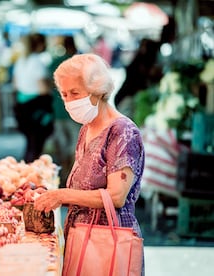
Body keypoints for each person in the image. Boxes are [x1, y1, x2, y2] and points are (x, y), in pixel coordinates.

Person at [33, 53, 145, 275]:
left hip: (107, 240)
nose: (69, 101)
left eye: (75, 93)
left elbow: (116, 196)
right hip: (82, 235)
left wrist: (62, 195)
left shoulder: (122, 131)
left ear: (98, 90)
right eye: (64, 94)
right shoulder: (87, 128)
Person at [12, 33, 54, 163]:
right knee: (36, 144)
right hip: (37, 106)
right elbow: (42, 88)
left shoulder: (20, 61)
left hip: (21, 104)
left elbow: (15, 84)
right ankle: (32, 171)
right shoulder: (38, 62)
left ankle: (27, 167)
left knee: (30, 142)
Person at [48, 35, 81, 188]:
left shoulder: (56, 62)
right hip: (75, 112)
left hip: (58, 110)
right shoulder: (79, 65)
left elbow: (48, 82)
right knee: (76, 147)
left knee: (62, 146)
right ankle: (72, 179)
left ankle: (63, 177)